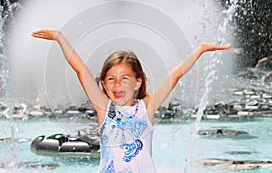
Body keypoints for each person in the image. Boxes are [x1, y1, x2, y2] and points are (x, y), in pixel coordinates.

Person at [31, 29, 230, 172]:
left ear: (137, 82)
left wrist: (200, 50)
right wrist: (60, 38)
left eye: (124, 78)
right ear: (104, 84)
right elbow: (80, 70)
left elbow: (175, 75)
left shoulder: (147, 107)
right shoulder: (103, 108)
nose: (117, 84)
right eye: (111, 79)